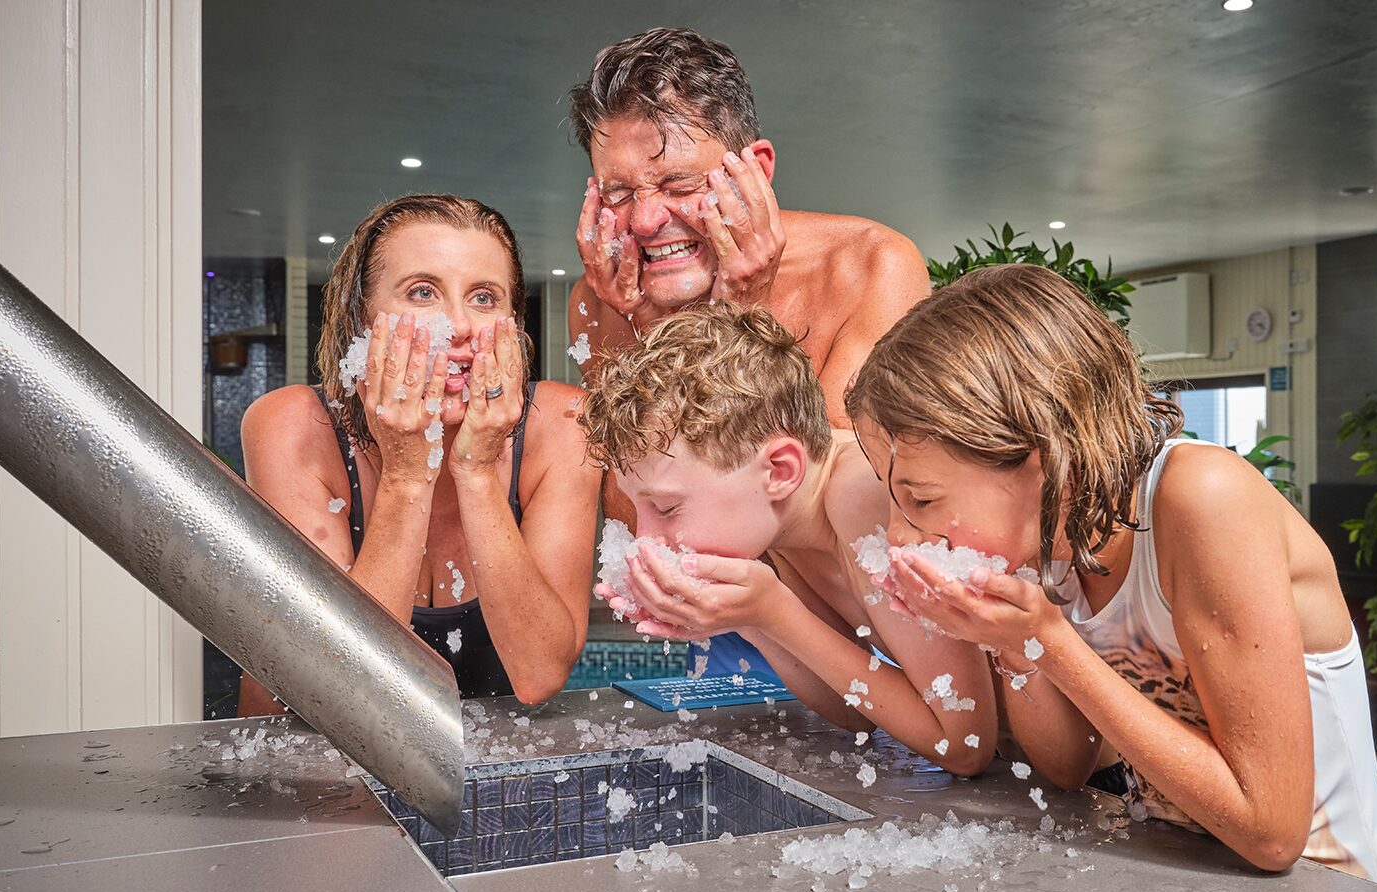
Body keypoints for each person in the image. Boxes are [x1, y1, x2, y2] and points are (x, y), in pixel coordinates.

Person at [844, 264, 1377, 892]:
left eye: (920, 500)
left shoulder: (1203, 500)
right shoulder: (1052, 547)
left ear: (1039, 453)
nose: (900, 535)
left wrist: (1052, 642)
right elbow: (1066, 766)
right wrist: (1013, 640)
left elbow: (1272, 831)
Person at [567, 27, 932, 676]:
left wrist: (747, 316)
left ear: (755, 171)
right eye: (619, 195)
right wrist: (645, 323)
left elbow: (823, 510)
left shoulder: (873, 268)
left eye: (679, 185)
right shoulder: (604, 297)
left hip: (877, 642)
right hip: (715, 621)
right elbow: (641, 521)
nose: (647, 221)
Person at [579, 303, 998, 776]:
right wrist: (750, 620)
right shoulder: (780, 521)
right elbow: (854, 710)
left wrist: (776, 613)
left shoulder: (863, 494)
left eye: (668, 508)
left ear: (780, 470)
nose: (647, 537)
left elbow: (965, 745)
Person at [237, 194, 599, 711]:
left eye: (484, 298)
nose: (459, 325)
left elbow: (539, 673)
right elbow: (335, 685)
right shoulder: (293, 425)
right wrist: (408, 472)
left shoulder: (561, 425)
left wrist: (475, 470)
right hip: (310, 762)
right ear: (362, 316)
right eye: (423, 292)